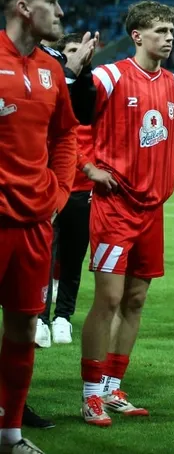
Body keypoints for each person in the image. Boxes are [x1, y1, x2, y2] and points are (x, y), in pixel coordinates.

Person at [79, 1, 174, 427]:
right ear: (137, 36)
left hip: (152, 210)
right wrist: (88, 167)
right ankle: (90, 394)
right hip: (115, 208)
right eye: (160, 30)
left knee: (136, 299)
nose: (169, 37)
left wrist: (170, 175)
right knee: (108, 299)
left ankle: (112, 386)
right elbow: (71, 122)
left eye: (171, 30)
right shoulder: (108, 77)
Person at [0, 0, 78, 454]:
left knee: (25, 327)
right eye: (51, 2)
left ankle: (10, 434)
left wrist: (59, 192)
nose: (60, 11)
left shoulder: (50, 69)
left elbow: (66, 134)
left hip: (34, 223)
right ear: (24, 8)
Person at [37, 34, 99, 348]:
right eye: (72, 51)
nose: (79, 55)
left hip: (83, 189)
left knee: (74, 257)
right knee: (44, 256)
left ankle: (63, 317)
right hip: (51, 184)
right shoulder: (52, 90)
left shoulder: (93, 91)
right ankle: (40, 318)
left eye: (82, 50)